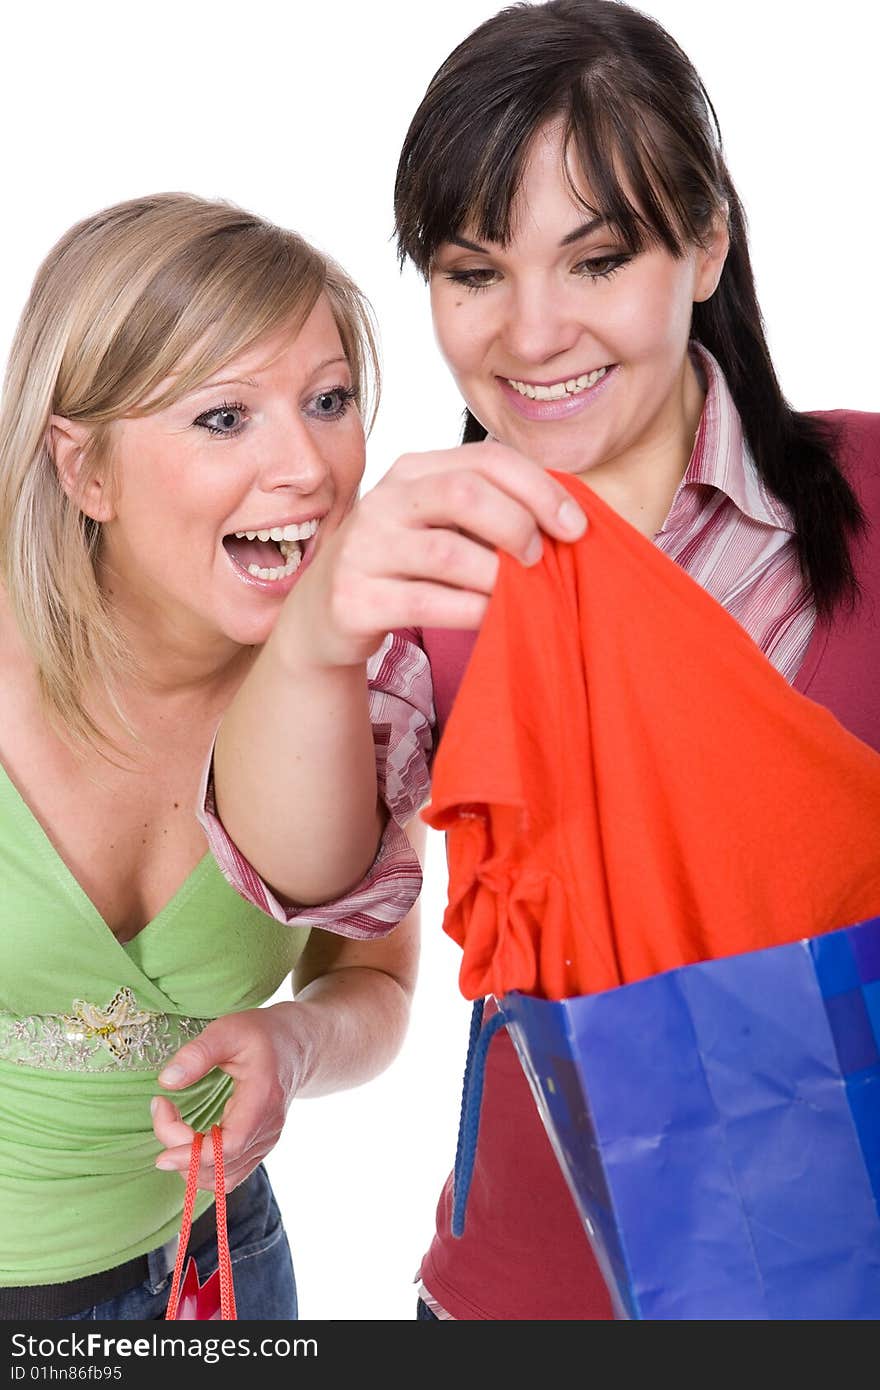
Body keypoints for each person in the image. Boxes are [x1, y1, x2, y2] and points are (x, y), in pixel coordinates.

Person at [180, 0, 880, 1319]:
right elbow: (305, 873)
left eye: (598, 258)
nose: (533, 333)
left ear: (708, 241)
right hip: (526, 1294)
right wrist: (321, 632)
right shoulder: (423, 549)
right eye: (474, 271)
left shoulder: (874, 492)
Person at [0, 191, 437, 1321]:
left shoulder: (365, 689)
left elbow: (372, 982)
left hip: (219, 1271)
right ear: (83, 469)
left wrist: (291, 1044)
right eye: (223, 417)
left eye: (329, 401)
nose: (306, 465)